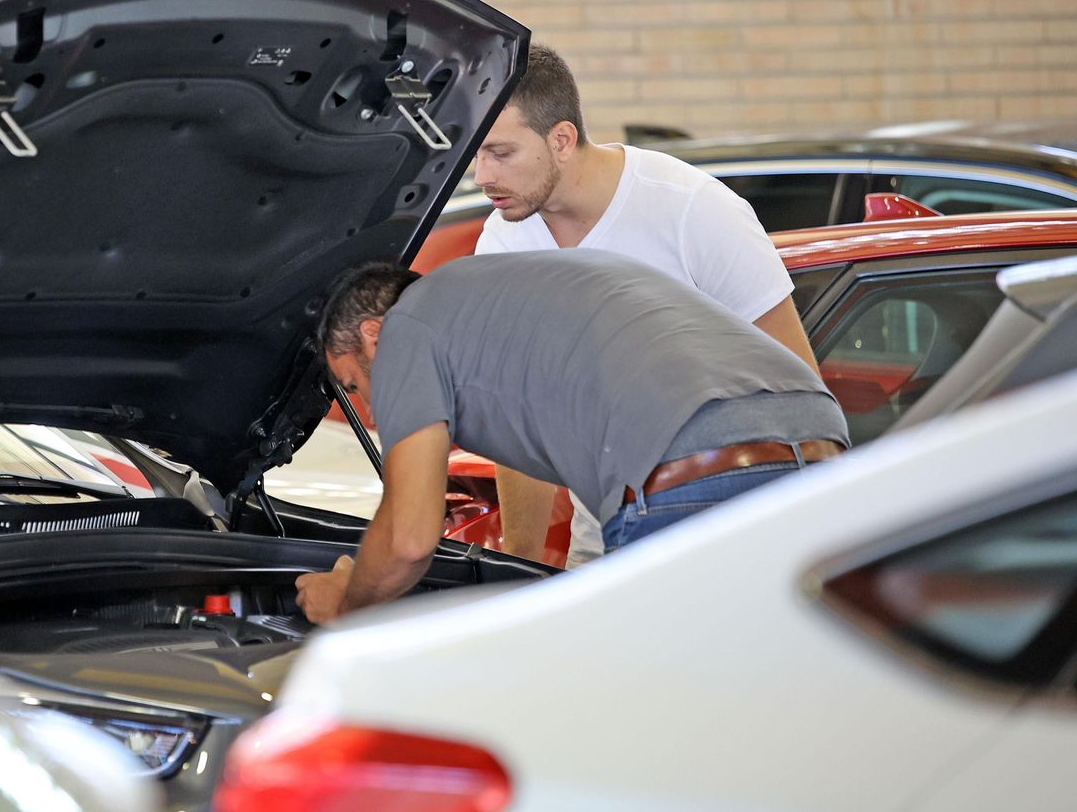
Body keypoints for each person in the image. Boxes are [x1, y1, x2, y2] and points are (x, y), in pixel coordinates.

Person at [293, 254, 847, 625]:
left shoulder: (405, 328)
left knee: (660, 712)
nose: (369, 408)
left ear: (372, 336)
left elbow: (409, 537)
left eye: (354, 384)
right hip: (820, 443)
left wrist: (345, 605)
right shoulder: (493, 292)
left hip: (691, 461)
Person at [472, 45, 818, 566]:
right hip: (605, 535)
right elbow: (519, 420)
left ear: (561, 140)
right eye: (476, 153)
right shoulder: (504, 243)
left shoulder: (693, 210)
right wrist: (518, 565)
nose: (482, 175)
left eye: (500, 153)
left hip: (724, 531)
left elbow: (799, 391)